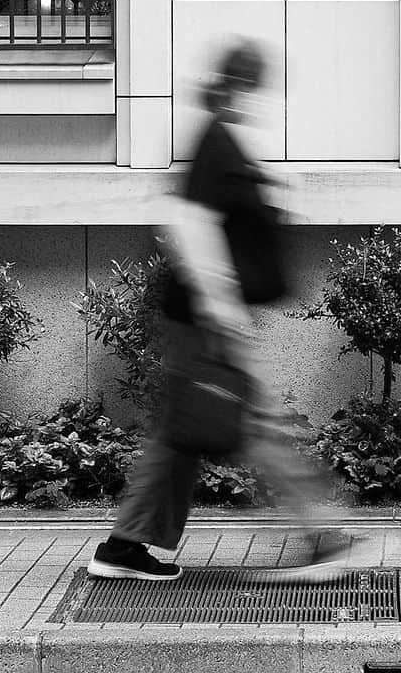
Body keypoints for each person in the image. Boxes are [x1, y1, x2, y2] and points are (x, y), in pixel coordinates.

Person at [87, 38, 363, 581]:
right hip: (209, 318)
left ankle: (123, 547)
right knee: (253, 426)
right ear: (240, 88)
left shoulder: (221, 142)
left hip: (204, 314)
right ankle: (323, 537)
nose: (264, 100)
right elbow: (193, 231)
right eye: (259, 88)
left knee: (182, 433)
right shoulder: (218, 145)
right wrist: (226, 315)